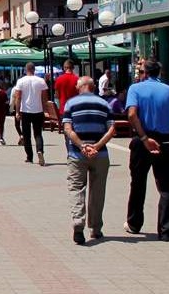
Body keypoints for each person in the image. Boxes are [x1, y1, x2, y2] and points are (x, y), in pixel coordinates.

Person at [124, 59, 169, 241]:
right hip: (165, 141)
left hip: (143, 140)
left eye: (140, 71)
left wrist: (143, 137)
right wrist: (168, 133)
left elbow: (132, 114)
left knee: (138, 183)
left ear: (145, 73)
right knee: (165, 187)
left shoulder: (135, 89)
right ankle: (165, 230)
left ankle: (134, 223)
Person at [62, 76, 115, 245]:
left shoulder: (71, 103)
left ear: (84, 86)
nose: (76, 88)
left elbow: (67, 128)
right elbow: (112, 128)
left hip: (77, 154)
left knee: (76, 188)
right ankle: (95, 228)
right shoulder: (104, 104)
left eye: (77, 85)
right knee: (97, 191)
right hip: (100, 155)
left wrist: (82, 145)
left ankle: (78, 222)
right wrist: (97, 146)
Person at [13, 63, 49, 166]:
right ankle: (40, 150)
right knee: (38, 133)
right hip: (38, 110)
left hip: (25, 111)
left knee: (27, 135)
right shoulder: (41, 81)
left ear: (25, 69)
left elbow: (18, 97)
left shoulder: (21, 81)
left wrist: (17, 112)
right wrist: (45, 110)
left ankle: (29, 156)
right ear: (34, 69)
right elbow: (44, 98)